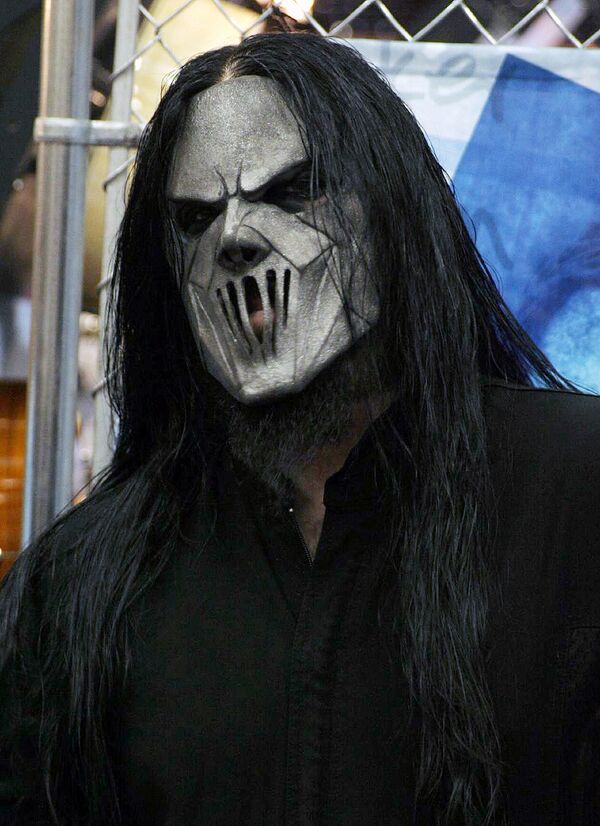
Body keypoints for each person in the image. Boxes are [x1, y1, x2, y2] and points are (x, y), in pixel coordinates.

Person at [1, 33, 599, 826]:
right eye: (195, 218)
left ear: (391, 210)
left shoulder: (571, 498)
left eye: (293, 191)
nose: (235, 239)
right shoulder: (88, 584)